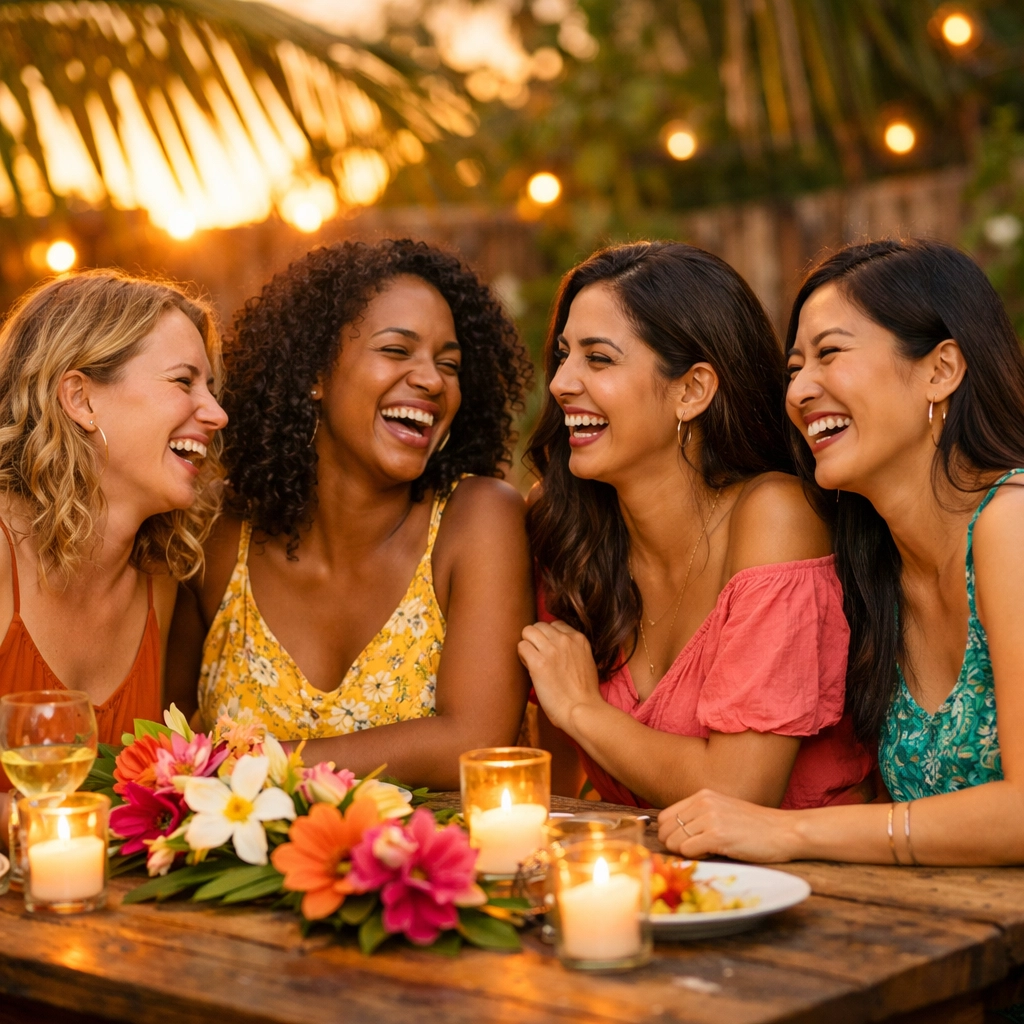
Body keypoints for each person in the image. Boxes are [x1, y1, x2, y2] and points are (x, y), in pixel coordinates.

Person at [658, 239, 1024, 866]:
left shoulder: (1010, 523)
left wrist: (790, 833)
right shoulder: (876, 567)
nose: (800, 390)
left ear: (941, 370)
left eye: (830, 353)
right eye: (794, 367)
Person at [167, 239, 535, 790]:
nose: (432, 380)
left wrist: (254, 765)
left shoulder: (478, 519)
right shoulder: (220, 532)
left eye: (449, 364)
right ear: (314, 372)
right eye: (397, 350)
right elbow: (154, 739)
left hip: (432, 849)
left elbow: (474, 742)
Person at [518, 241, 873, 811]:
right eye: (563, 355)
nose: (561, 382)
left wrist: (583, 709)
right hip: (637, 865)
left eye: (598, 359)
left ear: (692, 391)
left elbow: (740, 791)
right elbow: (549, 779)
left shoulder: (775, 515)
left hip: (812, 865)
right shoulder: (566, 525)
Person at [0, 269, 228, 831]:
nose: (217, 414)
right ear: (80, 398)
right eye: (183, 382)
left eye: (211, 388)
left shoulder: (159, 579)